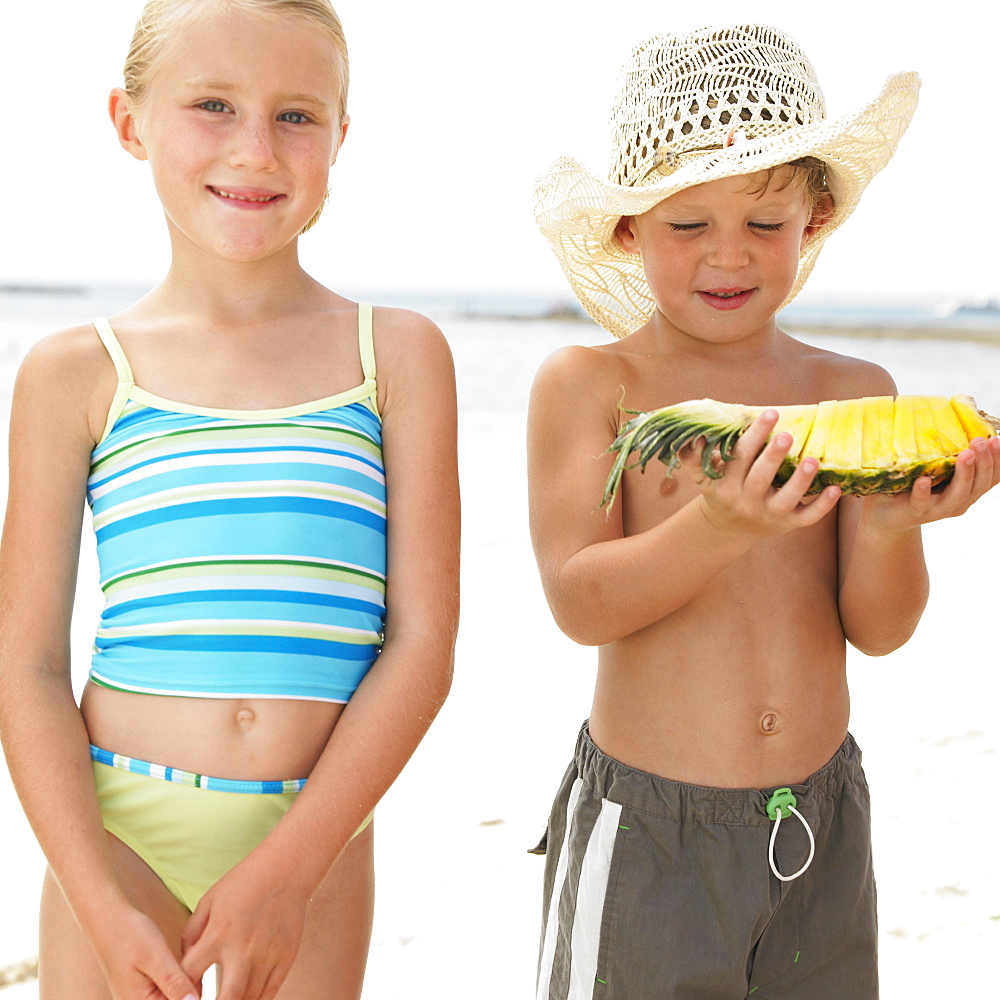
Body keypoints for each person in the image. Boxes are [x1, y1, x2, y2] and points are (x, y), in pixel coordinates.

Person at [527, 24, 1000, 999]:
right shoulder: (591, 384)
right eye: (686, 225)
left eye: (764, 222)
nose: (728, 255)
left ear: (815, 217)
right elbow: (580, 603)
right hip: (650, 833)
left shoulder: (854, 387)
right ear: (628, 230)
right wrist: (717, 525)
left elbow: (878, 628)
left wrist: (890, 517)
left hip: (820, 816)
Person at [0, 2, 459, 999]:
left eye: (297, 115)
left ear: (341, 134)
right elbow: (28, 663)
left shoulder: (397, 356)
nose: (256, 149)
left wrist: (291, 867)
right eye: (213, 104)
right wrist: (95, 897)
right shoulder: (75, 371)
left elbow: (421, 642)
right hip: (117, 837)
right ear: (129, 122)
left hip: (317, 840)